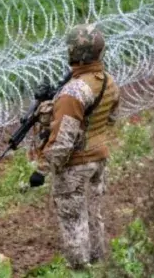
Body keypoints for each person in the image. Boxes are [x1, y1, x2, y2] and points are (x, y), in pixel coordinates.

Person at [28, 24, 120, 270]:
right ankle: (99, 264)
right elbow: (111, 118)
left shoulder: (74, 91)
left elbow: (63, 140)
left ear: (73, 53)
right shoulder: (107, 81)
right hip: (98, 157)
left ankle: (80, 270)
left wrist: (41, 169)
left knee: (73, 219)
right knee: (93, 214)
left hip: (76, 164)